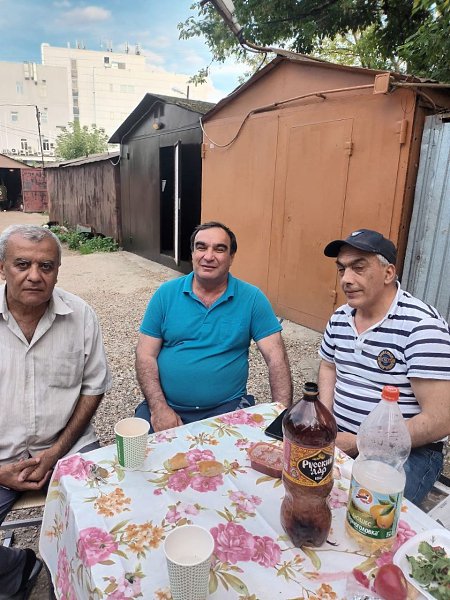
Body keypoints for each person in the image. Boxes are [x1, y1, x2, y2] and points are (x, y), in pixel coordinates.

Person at [318, 228, 450, 505]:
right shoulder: (341, 317)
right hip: (340, 437)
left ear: (389, 273)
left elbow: (441, 419)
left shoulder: (421, 327)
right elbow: (329, 366)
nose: (346, 279)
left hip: (408, 452)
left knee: (366, 513)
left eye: (358, 268)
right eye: (342, 269)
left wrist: (360, 443)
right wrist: (325, 419)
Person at [0, 225, 111, 523]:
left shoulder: (81, 315)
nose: (35, 276)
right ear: (2, 268)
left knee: (110, 516)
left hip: (69, 448)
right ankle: (24, 557)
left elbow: (93, 387)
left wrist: (57, 451)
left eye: (46, 266)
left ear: (58, 271)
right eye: (22, 264)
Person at [135, 221, 292, 432]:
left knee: (238, 454)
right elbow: (145, 355)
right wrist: (158, 407)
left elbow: (276, 358)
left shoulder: (252, 299)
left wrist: (281, 418)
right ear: (192, 253)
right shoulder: (165, 295)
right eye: (201, 247)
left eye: (219, 249)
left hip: (227, 408)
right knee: (140, 451)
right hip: (167, 405)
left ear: (231, 257)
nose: (208, 256)